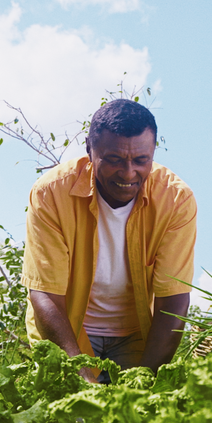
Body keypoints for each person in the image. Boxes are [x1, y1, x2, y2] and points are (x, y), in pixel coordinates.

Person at [21, 99, 195, 383]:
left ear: (153, 152)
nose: (128, 173)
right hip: (68, 334)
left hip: (136, 336)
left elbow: (173, 300)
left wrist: (144, 382)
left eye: (141, 161)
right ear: (90, 149)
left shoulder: (176, 200)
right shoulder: (50, 194)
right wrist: (79, 376)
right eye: (113, 160)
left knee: (135, 416)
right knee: (75, 417)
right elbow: (44, 294)